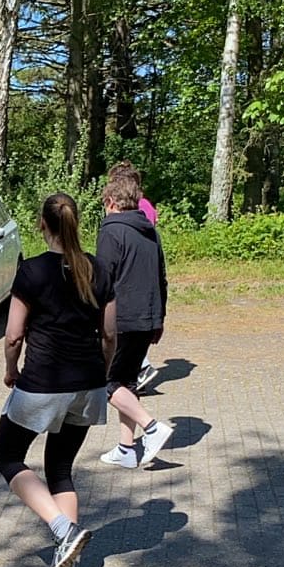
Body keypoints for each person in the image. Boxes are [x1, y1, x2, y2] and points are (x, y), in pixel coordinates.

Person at [0, 193, 110, 567]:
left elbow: (13, 335)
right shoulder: (97, 268)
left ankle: (63, 529)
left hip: (44, 383)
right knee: (60, 468)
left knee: (7, 456)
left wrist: (11, 371)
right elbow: (110, 333)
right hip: (89, 383)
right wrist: (105, 371)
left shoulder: (32, 271)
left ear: (43, 225)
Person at [95, 173, 172, 469]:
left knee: (105, 383)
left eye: (105, 203)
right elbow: (161, 277)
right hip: (147, 318)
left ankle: (151, 427)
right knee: (127, 382)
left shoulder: (111, 231)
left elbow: (102, 279)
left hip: (119, 320)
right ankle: (126, 449)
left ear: (112, 202)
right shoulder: (150, 231)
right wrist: (159, 319)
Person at [109, 160, 163, 393]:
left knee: (113, 378)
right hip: (141, 296)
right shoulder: (144, 208)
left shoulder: (136, 211)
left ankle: (144, 368)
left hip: (132, 293)